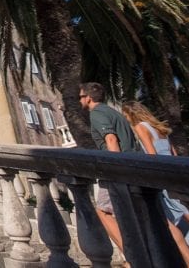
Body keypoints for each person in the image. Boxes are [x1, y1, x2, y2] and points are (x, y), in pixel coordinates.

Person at [121, 100, 189, 268]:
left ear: (131, 114)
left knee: (180, 216)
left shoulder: (141, 127)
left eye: (126, 115)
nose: (126, 119)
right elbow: (174, 154)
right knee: (186, 213)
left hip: (162, 179)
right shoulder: (158, 128)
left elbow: (152, 155)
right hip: (175, 174)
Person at [80, 82, 140, 255]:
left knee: (103, 211)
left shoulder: (97, 114)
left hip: (118, 169)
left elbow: (111, 140)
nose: (78, 101)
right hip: (133, 165)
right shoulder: (112, 112)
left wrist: (115, 170)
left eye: (79, 97)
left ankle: (131, 256)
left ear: (88, 98)